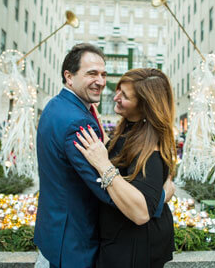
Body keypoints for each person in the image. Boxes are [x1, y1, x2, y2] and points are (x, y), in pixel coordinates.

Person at [34, 44, 174, 268]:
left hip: (59, 229)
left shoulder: (56, 105)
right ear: (69, 77)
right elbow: (108, 192)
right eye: (92, 74)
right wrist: (161, 196)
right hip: (74, 241)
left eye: (103, 74)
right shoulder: (78, 121)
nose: (101, 82)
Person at [74, 68, 177, 268]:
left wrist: (103, 165)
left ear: (146, 106)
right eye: (119, 90)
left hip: (133, 249)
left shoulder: (151, 147)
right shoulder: (132, 127)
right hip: (120, 239)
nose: (116, 97)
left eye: (125, 96)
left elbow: (141, 213)